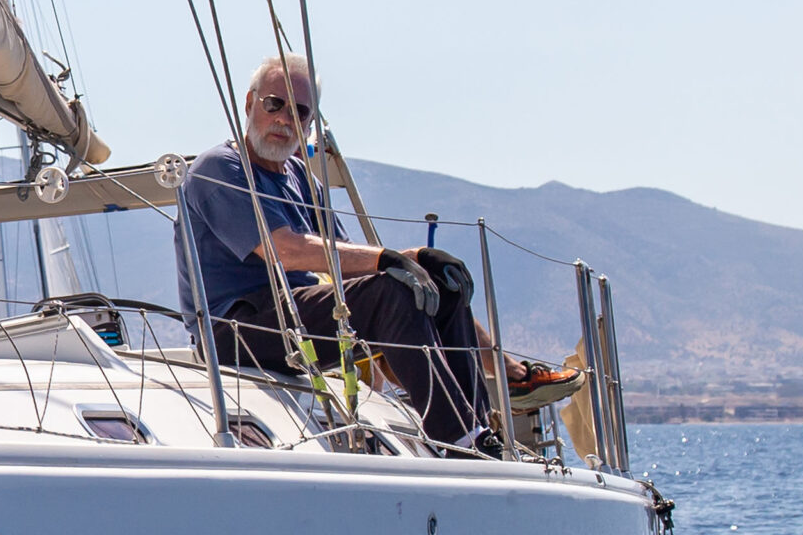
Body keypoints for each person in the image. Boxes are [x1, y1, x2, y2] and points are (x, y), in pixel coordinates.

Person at [175, 57, 561, 450]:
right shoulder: (219, 168)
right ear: (249, 103)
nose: (284, 119)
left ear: (310, 122)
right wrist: (387, 259)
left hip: (295, 318)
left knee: (440, 283)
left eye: (299, 111)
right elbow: (283, 249)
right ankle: (457, 438)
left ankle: (478, 431)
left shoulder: (300, 178)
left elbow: (349, 264)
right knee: (389, 293)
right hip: (233, 330)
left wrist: (416, 261)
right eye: (274, 104)